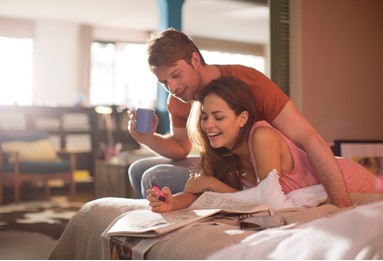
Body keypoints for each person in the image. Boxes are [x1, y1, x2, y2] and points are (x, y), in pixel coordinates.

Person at [128, 28, 352, 208]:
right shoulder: (179, 99)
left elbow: (308, 138)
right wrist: (147, 137)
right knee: (137, 168)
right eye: (164, 83)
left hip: (270, 169)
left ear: (195, 60)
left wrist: (342, 207)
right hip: (230, 163)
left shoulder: (249, 84)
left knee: (155, 175)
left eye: (176, 75)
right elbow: (180, 148)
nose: (173, 88)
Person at [147, 76, 383, 213]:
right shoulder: (218, 150)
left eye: (218, 117)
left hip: (351, 181)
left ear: (242, 119)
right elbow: (199, 190)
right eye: (205, 116)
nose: (209, 125)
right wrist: (173, 202)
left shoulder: (262, 136)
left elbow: (270, 202)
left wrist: (213, 184)